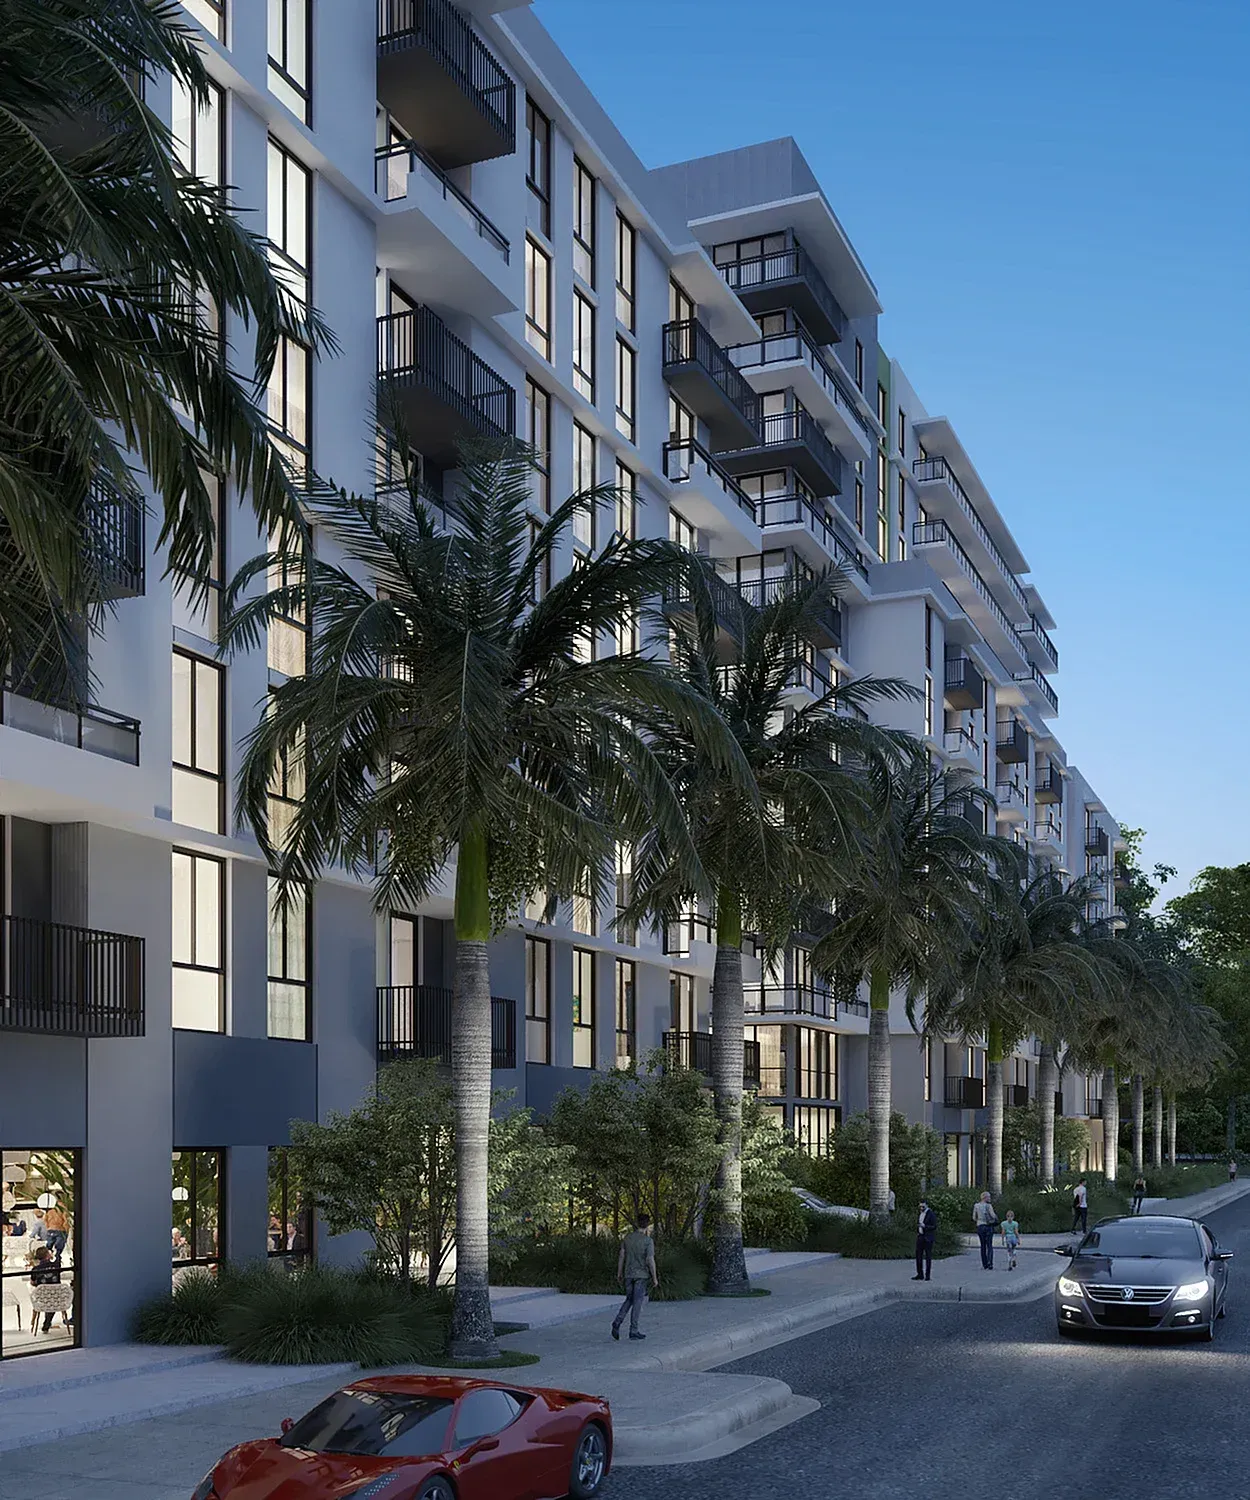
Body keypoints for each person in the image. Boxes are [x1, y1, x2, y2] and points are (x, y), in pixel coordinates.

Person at [611, 1213, 658, 1342]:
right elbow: (650, 1259)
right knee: (637, 1302)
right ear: (647, 1224)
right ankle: (633, 1330)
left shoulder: (627, 1238)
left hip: (628, 1274)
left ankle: (617, 1321)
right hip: (641, 1275)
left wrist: (619, 1273)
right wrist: (654, 1277)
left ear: (637, 1223)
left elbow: (621, 1256)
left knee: (629, 1299)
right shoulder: (648, 1241)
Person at [29, 1246, 64, 1335]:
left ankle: (46, 1323)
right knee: (53, 1300)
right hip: (57, 1297)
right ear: (48, 1255)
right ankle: (47, 1323)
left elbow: (32, 1282)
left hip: (42, 1298)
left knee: (48, 1298)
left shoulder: (35, 1269)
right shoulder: (56, 1265)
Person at [913, 1199, 938, 1281]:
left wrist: (925, 1226)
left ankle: (928, 1275)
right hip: (920, 1236)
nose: (921, 1208)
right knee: (918, 1256)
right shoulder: (920, 1213)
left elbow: (934, 1226)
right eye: (920, 1206)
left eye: (923, 1206)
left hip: (928, 1237)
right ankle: (920, 1274)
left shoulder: (931, 1214)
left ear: (927, 1205)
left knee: (928, 1256)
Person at [972, 1192, 998, 1269]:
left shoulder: (976, 1205)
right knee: (989, 1245)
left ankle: (984, 1264)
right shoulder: (988, 1206)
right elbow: (992, 1215)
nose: (990, 1198)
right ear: (985, 1197)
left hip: (980, 1226)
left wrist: (979, 1220)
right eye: (989, 1197)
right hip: (988, 1226)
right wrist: (996, 1218)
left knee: (982, 1245)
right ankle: (990, 1263)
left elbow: (974, 1217)